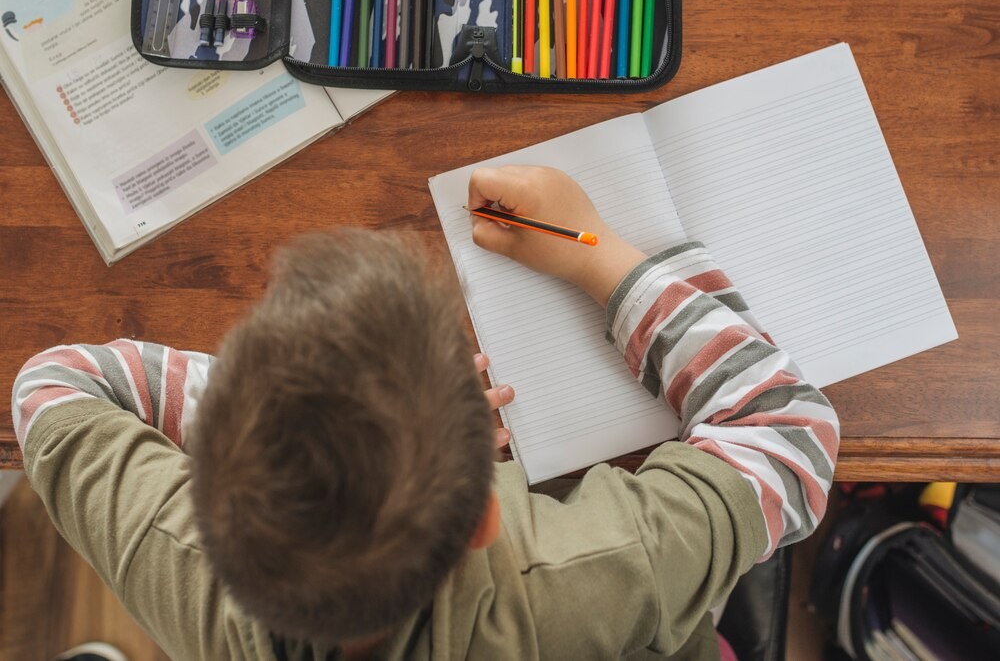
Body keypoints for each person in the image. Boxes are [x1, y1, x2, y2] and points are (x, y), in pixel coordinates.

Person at [13, 166, 839, 660]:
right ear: (484, 514)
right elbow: (790, 435)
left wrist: (279, 411)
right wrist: (594, 248)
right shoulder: (582, 575)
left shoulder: (186, 567)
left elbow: (52, 385)